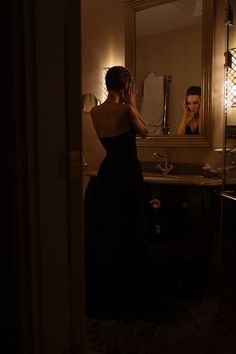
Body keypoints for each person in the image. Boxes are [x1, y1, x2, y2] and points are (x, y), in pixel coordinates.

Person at [84, 66, 148, 320]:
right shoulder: (126, 108)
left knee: (109, 227)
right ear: (125, 86)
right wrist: (132, 102)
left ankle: (106, 284)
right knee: (129, 226)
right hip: (128, 172)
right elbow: (145, 132)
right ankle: (127, 286)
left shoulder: (95, 111)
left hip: (108, 172)